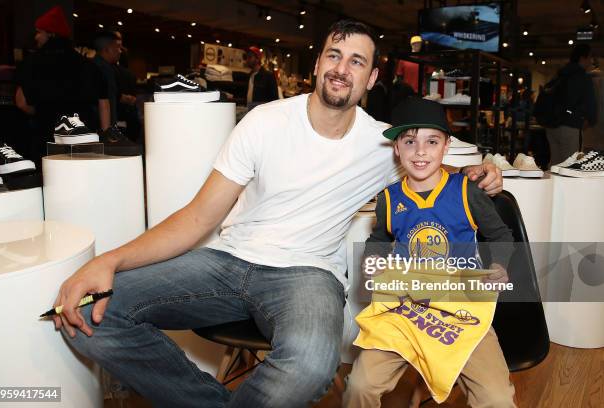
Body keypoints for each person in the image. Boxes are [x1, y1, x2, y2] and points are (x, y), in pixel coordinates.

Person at [52, 20, 502, 408]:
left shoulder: (384, 144)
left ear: (372, 78)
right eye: (334, 55)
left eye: (357, 61)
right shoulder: (264, 122)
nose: (342, 69)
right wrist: (108, 260)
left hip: (307, 274)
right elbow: (197, 218)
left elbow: (432, 165)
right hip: (229, 260)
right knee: (84, 313)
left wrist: (481, 170)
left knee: (310, 365)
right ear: (317, 63)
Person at [343, 98, 515, 408]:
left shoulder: (467, 192)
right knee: (359, 385)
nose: (420, 151)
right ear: (397, 148)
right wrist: (373, 259)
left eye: (431, 141)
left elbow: (501, 235)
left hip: (461, 308)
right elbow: (380, 238)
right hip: (406, 308)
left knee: (497, 398)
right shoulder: (388, 199)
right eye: (410, 141)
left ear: (446, 146)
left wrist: (500, 264)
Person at [15, 5, 108, 163]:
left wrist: (43, 113)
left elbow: (21, 103)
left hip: (48, 135)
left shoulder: (31, 62)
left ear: (50, 33)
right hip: (84, 134)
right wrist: (105, 136)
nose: (36, 37)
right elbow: (104, 103)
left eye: (39, 32)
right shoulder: (89, 65)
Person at [545, 43, 597, 166]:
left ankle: (551, 184)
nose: (591, 61)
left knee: (555, 163)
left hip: (551, 125)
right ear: (582, 58)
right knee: (570, 164)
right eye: (589, 57)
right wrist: (591, 119)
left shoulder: (560, 74)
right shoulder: (582, 77)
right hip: (570, 125)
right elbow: (590, 101)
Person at [92, 30, 123, 128]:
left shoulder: (93, 65)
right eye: (117, 47)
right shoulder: (104, 69)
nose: (120, 51)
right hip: (103, 127)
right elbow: (108, 101)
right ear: (107, 49)